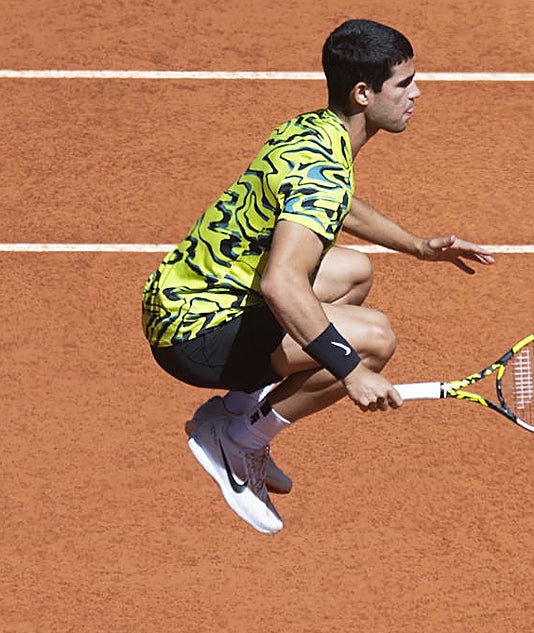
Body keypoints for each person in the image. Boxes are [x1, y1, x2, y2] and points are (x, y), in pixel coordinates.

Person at [142, 18, 494, 534]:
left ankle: (235, 414)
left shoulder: (313, 131)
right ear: (362, 93)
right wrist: (352, 372)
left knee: (354, 272)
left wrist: (418, 246)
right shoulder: (322, 169)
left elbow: (339, 206)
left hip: (181, 297)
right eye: (403, 84)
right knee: (374, 339)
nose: (417, 93)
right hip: (193, 336)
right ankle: (242, 444)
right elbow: (281, 283)